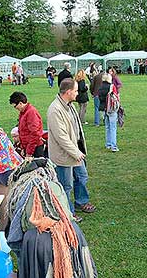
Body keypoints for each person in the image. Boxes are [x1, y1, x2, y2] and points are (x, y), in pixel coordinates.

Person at [47, 78, 96, 221]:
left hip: (76, 152)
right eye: (75, 91)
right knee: (66, 186)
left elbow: (76, 129)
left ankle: (81, 202)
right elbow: (61, 137)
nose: (77, 93)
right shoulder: (55, 109)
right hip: (64, 156)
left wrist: (79, 149)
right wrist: (75, 152)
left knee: (82, 177)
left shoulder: (70, 105)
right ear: (68, 92)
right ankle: (68, 212)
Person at [9, 92, 45, 158]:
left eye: (15, 106)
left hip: (35, 149)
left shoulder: (31, 113)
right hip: (29, 148)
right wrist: (23, 148)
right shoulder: (23, 112)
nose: (15, 108)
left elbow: (35, 134)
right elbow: (23, 131)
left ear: (20, 103)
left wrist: (29, 153)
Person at [98, 73, 120, 152]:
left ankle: (108, 144)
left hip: (103, 108)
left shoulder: (100, 87)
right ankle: (113, 146)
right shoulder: (111, 86)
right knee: (113, 127)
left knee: (107, 127)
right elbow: (116, 96)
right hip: (111, 108)